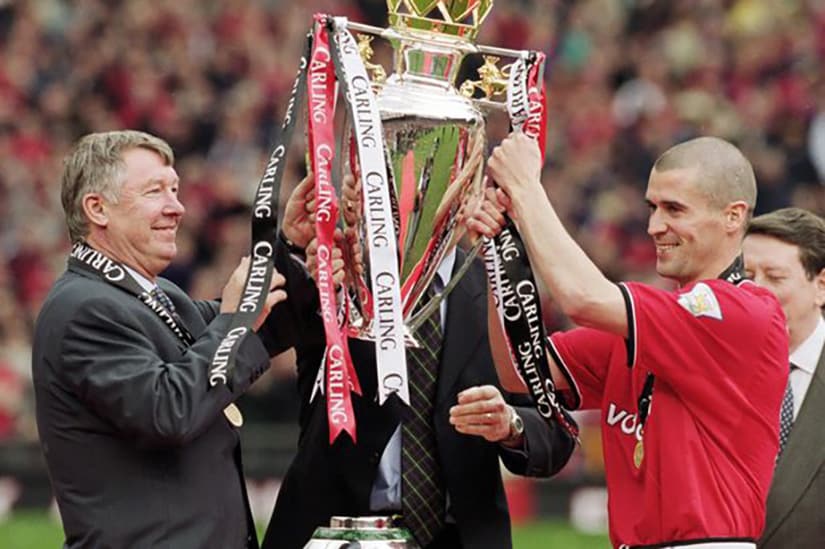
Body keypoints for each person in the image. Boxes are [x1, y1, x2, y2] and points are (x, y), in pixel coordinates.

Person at [468, 134, 788, 548]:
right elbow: (520, 369)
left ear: (732, 216)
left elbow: (583, 298)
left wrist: (528, 191)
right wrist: (500, 258)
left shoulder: (743, 313)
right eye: (652, 208)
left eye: (674, 209)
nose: (655, 226)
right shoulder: (648, 327)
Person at [260, 174, 577, 549]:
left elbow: (555, 431)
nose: (429, 207)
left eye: (450, 182)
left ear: (472, 197)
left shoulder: (500, 289)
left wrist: (510, 425)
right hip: (334, 532)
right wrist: (292, 248)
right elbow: (268, 328)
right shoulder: (341, 269)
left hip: (457, 537)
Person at [32, 130, 297, 549]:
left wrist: (295, 245)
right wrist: (233, 319)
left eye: (174, 190)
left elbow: (265, 325)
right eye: (155, 192)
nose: (177, 207)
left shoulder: (157, 296)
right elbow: (167, 411)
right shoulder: (82, 309)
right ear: (97, 208)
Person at [742, 207, 825, 549]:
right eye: (747, 276)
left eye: (774, 277)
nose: (756, 291)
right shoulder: (715, 369)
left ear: (821, 287)